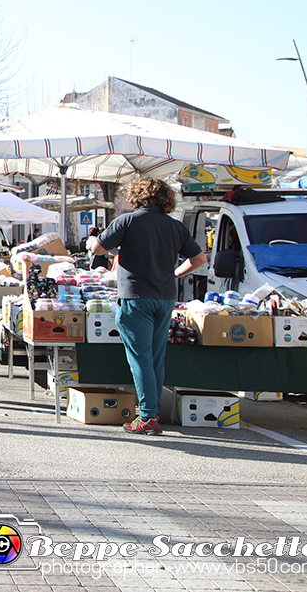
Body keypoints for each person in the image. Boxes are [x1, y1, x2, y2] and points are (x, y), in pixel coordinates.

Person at [88, 178, 206, 436]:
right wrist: (174, 274)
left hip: (135, 296)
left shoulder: (127, 221)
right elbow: (199, 259)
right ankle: (151, 412)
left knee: (139, 357)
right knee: (155, 358)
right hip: (164, 296)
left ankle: (148, 416)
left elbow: (98, 248)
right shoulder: (176, 226)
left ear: (136, 195)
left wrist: (100, 240)